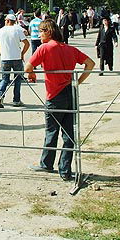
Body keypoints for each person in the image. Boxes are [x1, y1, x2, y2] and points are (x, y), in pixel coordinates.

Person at [25, 19, 95, 181]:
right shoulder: (70, 48)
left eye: (41, 31)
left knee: (51, 131)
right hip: (70, 92)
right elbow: (90, 64)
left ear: (48, 32)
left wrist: (32, 74)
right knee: (69, 134)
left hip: (54, 95)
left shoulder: (45, 48)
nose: (39, 35)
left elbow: (28, 67)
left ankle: (46, 164)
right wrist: (77, 82)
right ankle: (65, 170)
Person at [0, 13, 29, 108]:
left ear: (8, 20)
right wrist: (22, 53)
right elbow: (27, 44)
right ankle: (16, 100)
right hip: (17, 58)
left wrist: (1, 53)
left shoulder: (1, 30)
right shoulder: (18, 29)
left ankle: (0, 94)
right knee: (17, 79)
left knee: (5, 79)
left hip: (5, 58)